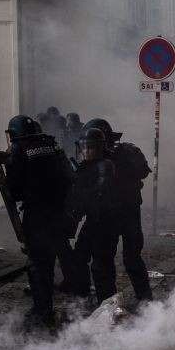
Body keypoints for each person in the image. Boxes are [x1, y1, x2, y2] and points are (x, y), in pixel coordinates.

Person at [2, 114, 74, 329]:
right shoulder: (51, 145)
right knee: (50, 260)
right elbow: (70, 177)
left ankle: (43, 313)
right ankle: (45, 307)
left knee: (37, 264)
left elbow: (12, 190)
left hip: (37, 215)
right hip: (59, 212)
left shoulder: (17, 150)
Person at [83, 118, 153, 308]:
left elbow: (143, 171)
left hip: (120, 215)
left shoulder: (125, 152)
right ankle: (117, 304)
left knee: (120, 261)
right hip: (115, 215)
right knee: (109, 261)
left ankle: (129, 303)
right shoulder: (98, 159)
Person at [64, 128, 117, 304]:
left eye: (91, 147)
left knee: (101, 266)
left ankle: (107, 305)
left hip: (105, 223)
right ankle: (82, 300)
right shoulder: (85, 167)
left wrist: (78, 186)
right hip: (93, 222)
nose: (86, 151)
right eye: (84, 147)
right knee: (78, 259)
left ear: (100, 148)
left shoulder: (105, 165)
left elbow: (99, 193)